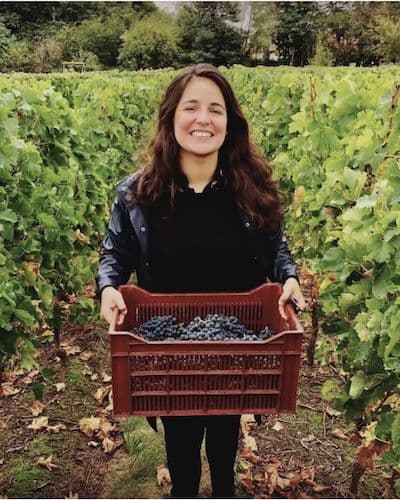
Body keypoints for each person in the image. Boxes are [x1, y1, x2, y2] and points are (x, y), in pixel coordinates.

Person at [97, 63, 306, 499]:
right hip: (168, 346)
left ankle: (225, 488)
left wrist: (289, 277)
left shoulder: (250, 188)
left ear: (229, 123)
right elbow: (115, 253)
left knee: (225, 429)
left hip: (235, 342)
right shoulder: (137, 194)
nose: (203, 119)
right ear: (172, 118)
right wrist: (109, 286)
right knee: (181, 436)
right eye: (191, 107)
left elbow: (276, 249)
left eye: (215, 109)